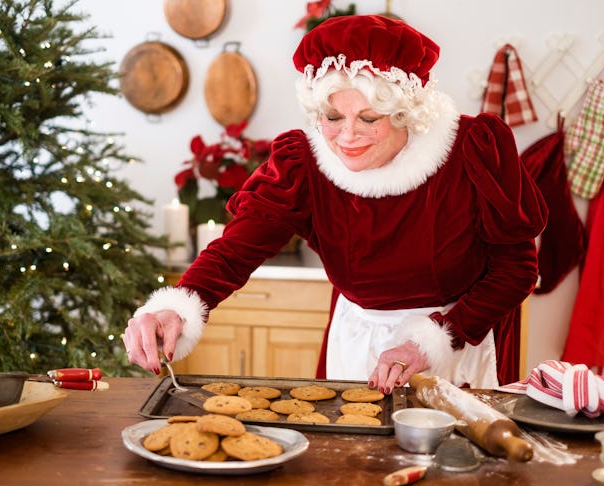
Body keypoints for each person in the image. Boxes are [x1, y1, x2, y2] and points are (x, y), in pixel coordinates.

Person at [123, 15, 548, 391]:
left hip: (456, 346)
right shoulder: (304, 163)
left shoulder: (470, 151)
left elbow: (517, 270)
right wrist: (175, 306)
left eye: (368, 119)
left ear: (405, 113)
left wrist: (436, 339)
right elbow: (235, 251)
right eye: (331, 117)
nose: (347, 136)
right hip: (353, 343)